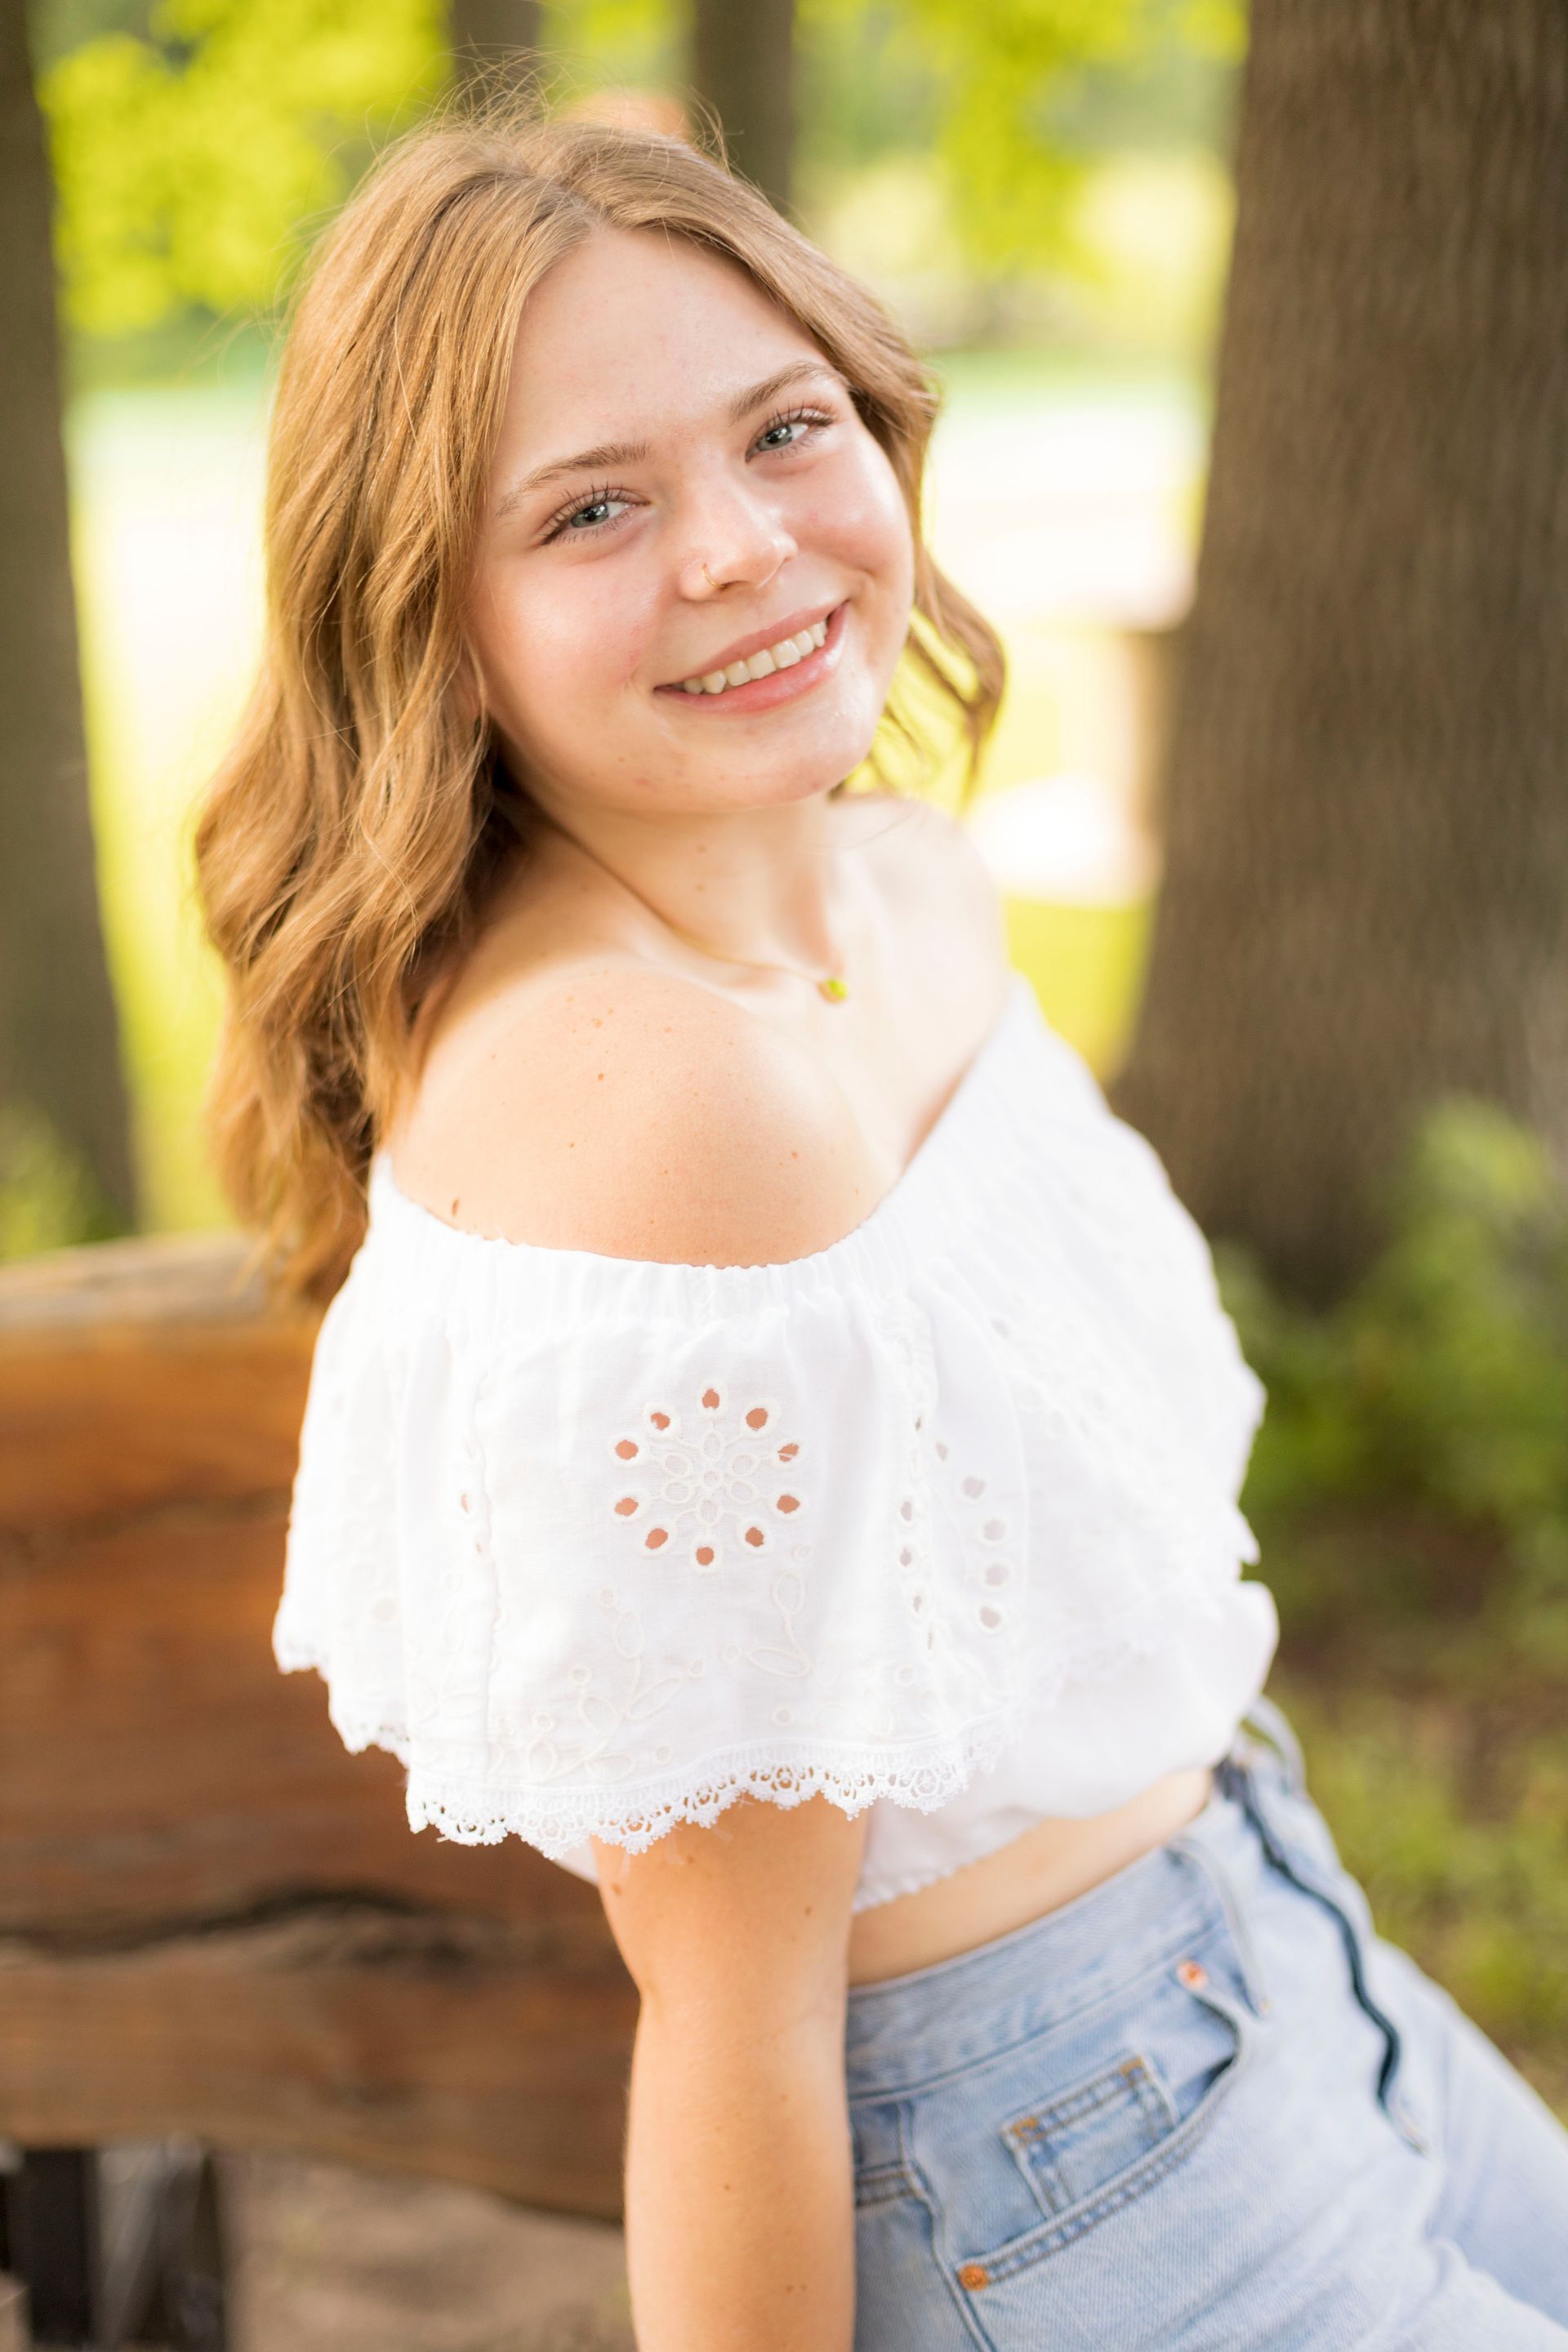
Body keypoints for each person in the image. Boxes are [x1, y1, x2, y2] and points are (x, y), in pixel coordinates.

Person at [193, 104, 1568, 2352]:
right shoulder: (670, 1119)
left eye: (785, 426)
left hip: (1281, 1940)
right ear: (431, 629)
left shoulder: (905, 882)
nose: (741, 550)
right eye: (594, 508)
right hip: (1069, 2166)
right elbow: (730, 2009)